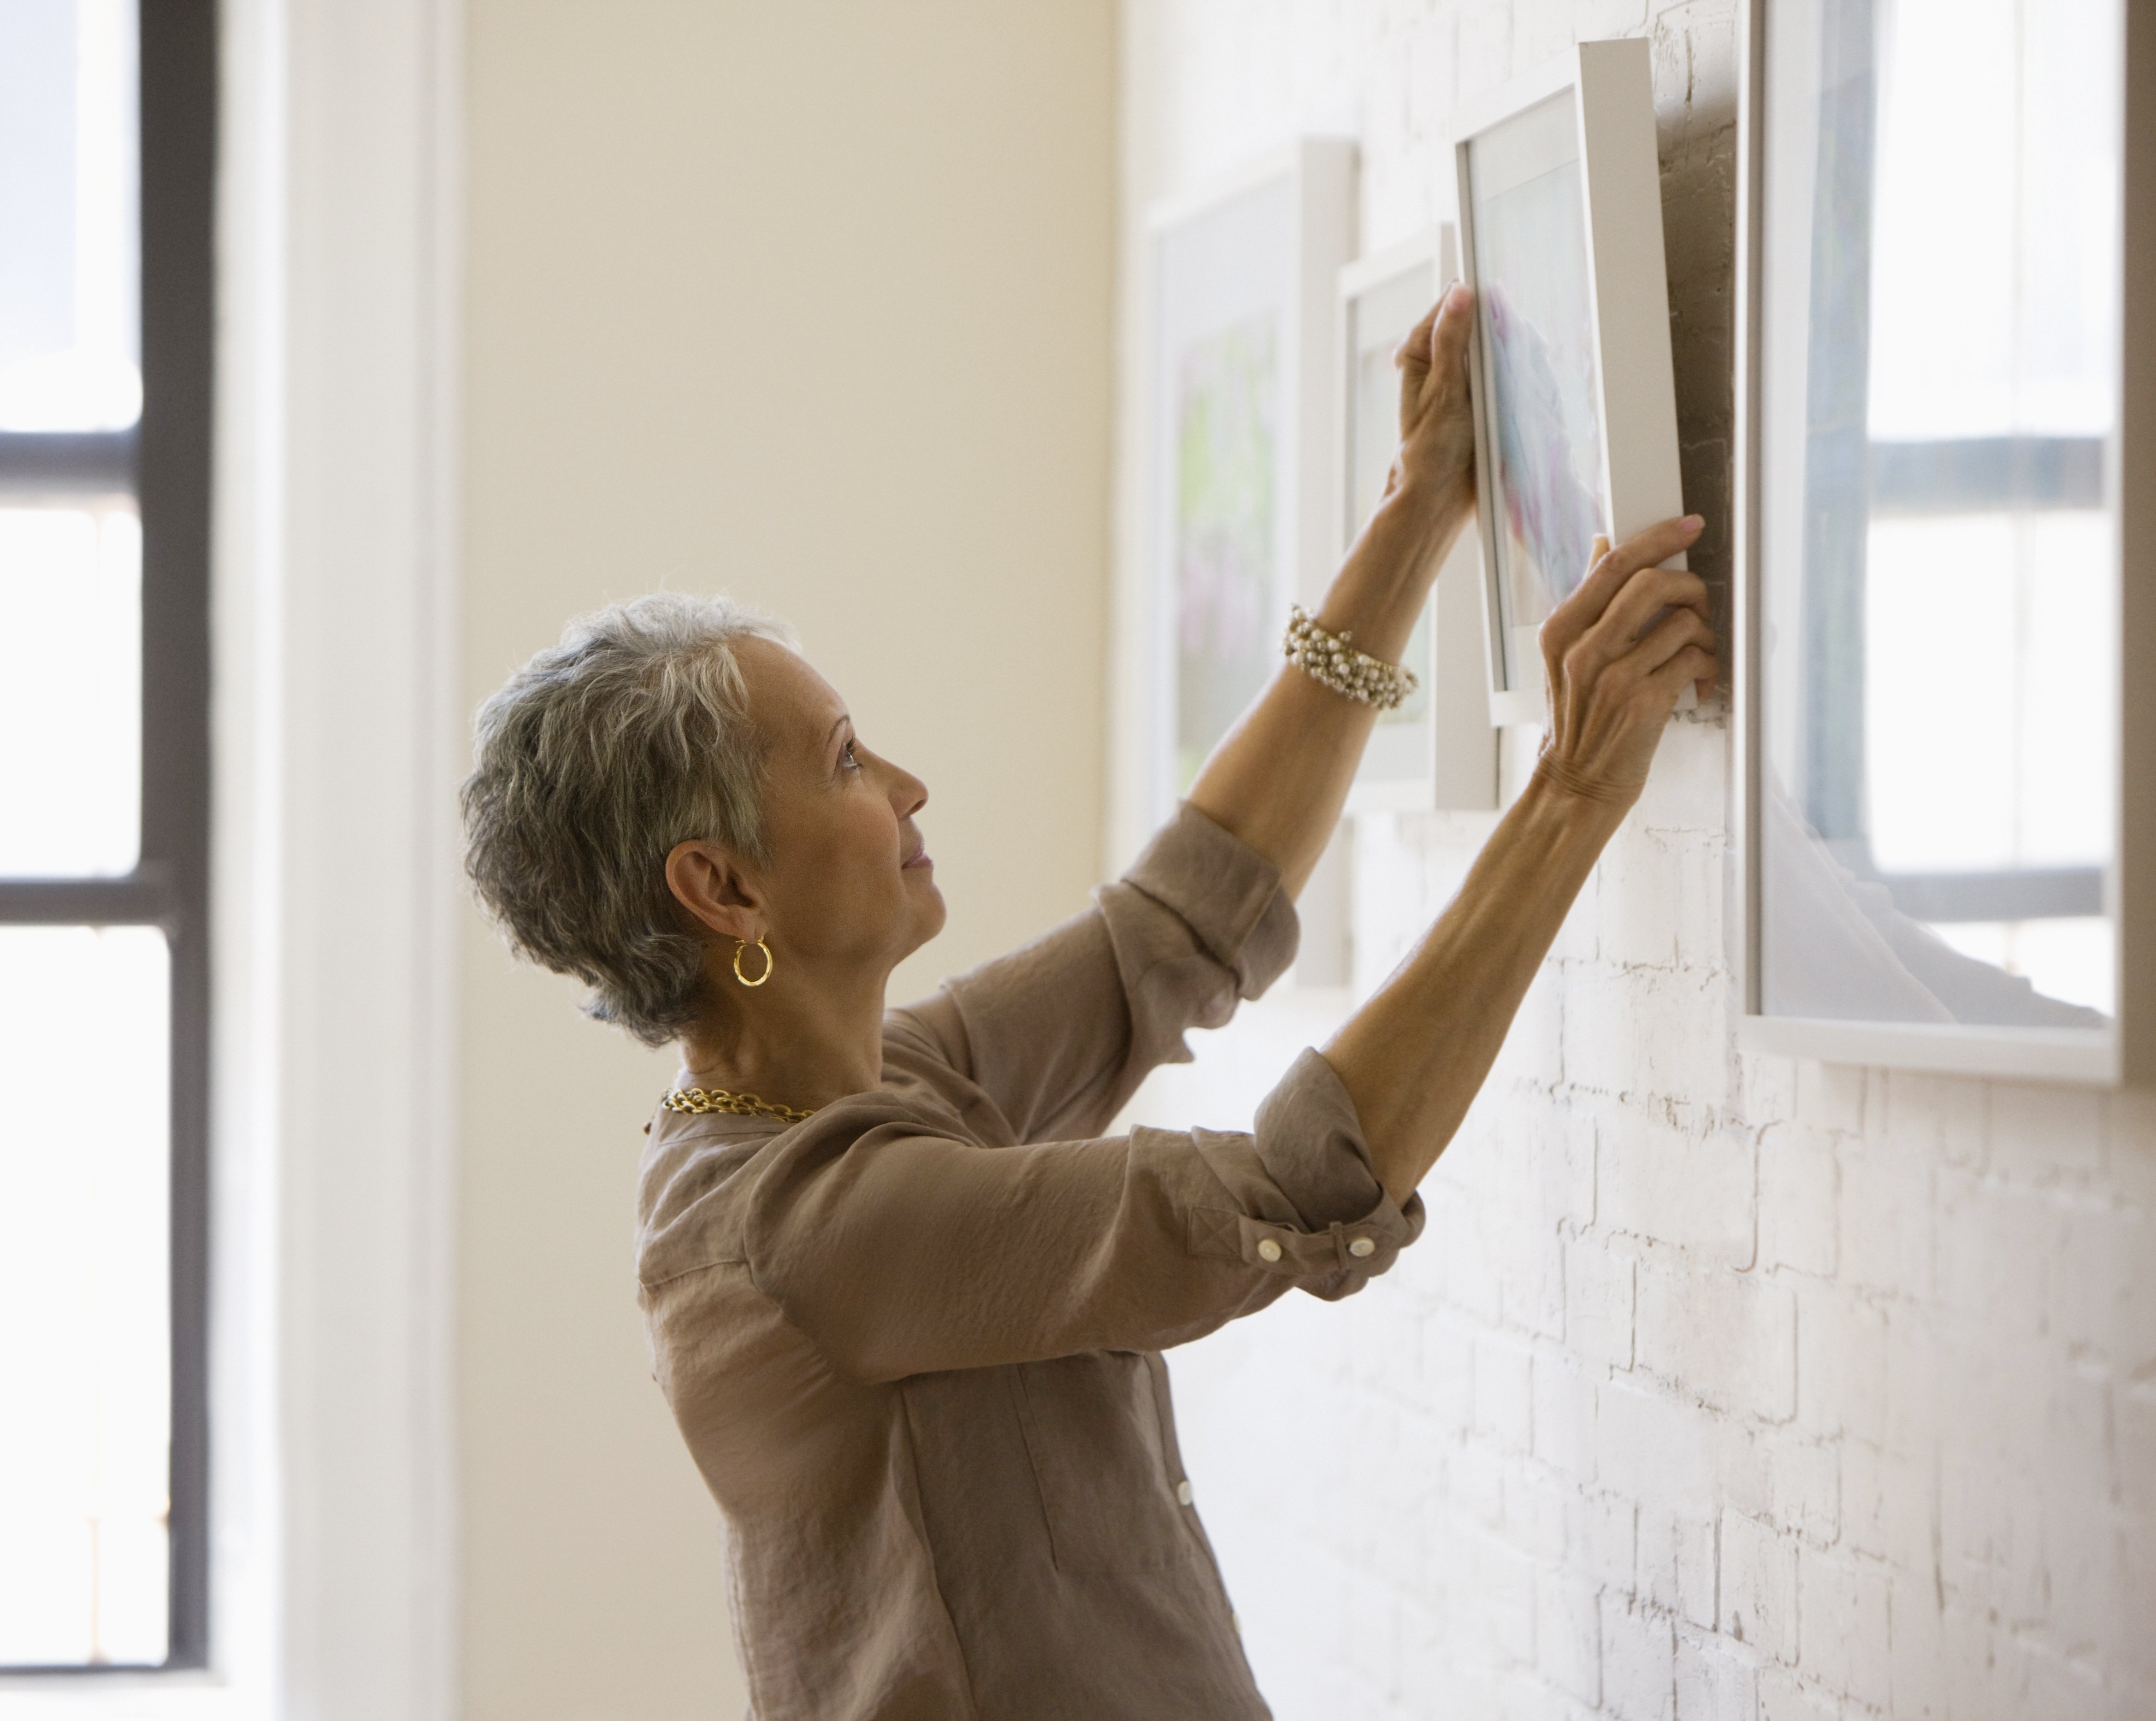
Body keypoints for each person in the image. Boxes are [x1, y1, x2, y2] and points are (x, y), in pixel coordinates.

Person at [461, 283, 1715, 1721]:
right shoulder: (813, 1229)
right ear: (725, 892)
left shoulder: (859, 1090)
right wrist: (1569, 792)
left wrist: (1418, 509)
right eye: (851, 760)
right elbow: (1308, 1184)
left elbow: (1181, 920)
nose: (909, 788)